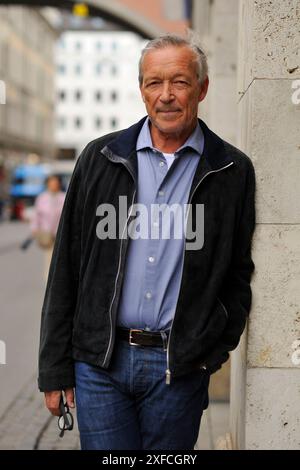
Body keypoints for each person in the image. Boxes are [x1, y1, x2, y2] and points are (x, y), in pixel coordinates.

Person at [38, 34, 256, 450]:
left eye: (179, 82)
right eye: (154, 83)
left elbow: (238, 272)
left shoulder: (230, 170)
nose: (166, 96)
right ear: (141, 90)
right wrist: (54, 370)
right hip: (100, 366)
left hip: (180, 369)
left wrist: (212, 347)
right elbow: (65, 267)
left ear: (202, 88)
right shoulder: (100, 158)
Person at [31, 174, 65, 280]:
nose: (53, 185)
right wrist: (35, 227)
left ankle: (60, 281)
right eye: (51, 183)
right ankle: (49, 282)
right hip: (47, 234)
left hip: (61, 234)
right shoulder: (42, 198)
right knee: (49, 259)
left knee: (61, 259)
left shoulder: (64, 197)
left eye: (55, 183)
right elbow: (37, 214)